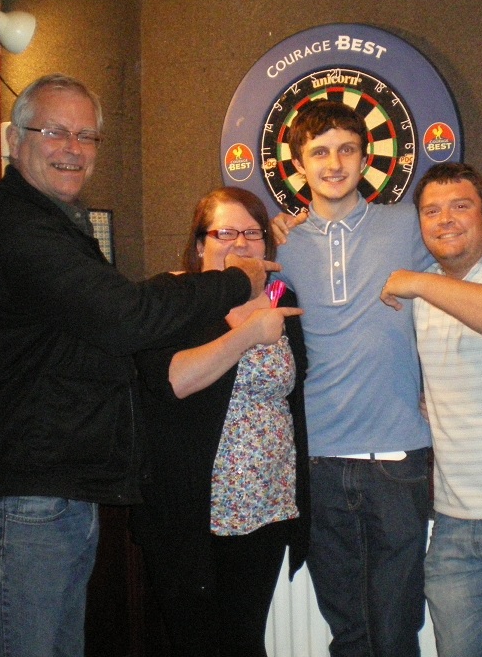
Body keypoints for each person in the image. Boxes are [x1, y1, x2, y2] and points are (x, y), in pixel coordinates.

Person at [0, 74, 272, 657]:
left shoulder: (56, 223)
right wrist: (231, 283)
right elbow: (128, 317)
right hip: (27, 505)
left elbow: (119, 311)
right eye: (54, 131)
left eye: (87, 136)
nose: (72, 149)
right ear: (14, 139)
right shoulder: (24, 230)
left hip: (63, 496)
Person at [273, 100, 433, 656]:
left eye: (346, 149)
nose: (334, 162)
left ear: (366, 158)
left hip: (399, 459)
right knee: (348, 634)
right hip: (316, 461)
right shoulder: (282, 243)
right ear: (299, 163)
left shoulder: (408, 223)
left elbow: (470, 259)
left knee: (396, 633)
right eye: (319, 152)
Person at [130, 186, 308, 657]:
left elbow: (296, 393)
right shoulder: (169, 295)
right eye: (225, 231)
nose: (242, 243)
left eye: (252, 232)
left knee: (244, 640)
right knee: (199, 645)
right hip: (193, 510)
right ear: (199, 244)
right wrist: (247, 335)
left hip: (265, 506)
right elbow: (174, 381)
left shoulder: (279, 295)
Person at [379, 162, 482, 657]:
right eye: (431, 211)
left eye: (460, 206)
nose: (445, 219)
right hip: (452, 525)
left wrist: (418, 283)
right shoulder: (423, 285)